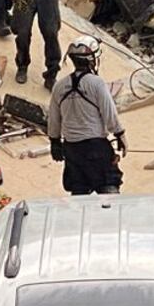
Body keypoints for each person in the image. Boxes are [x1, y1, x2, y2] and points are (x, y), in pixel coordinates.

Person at [47, 36, 126, 195]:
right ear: (93, 59)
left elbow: (54, 119)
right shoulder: (97, 83)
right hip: (96, 147)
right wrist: (120, 135)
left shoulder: (59, 86)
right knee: (109, 188)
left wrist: (54, 142)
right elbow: (109, 114)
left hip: (72, 149)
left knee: (79, 193)